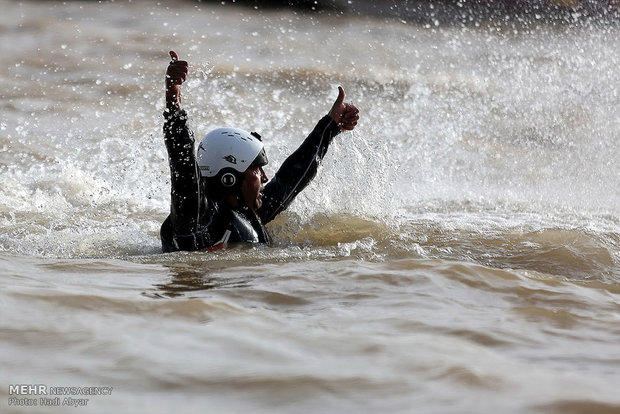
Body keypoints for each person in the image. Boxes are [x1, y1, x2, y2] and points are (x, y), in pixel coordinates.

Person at [160, 51, 359, 252]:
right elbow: (182, 162)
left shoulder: (249, 209)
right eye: (256, 170)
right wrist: (173, 96)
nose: (264, 178)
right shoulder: (195, 217)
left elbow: (291, 178)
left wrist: (330, 125)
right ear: (229, 178)